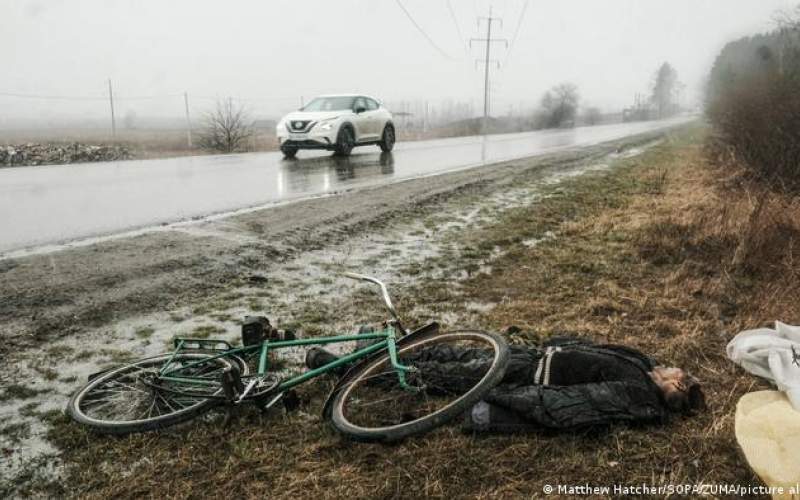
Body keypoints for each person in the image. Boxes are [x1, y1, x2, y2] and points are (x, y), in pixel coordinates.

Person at [306, 335, 705, 433]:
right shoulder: (642, 366)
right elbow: (591, 351)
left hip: (515, 374)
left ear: (674, 386)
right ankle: (359, 354)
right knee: (438, 353)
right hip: (523, 355)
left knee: (428, 376)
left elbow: (570, 402)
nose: (671, 367)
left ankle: (334, 368)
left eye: (677, 374)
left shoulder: (637, 392)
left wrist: (496, 397)